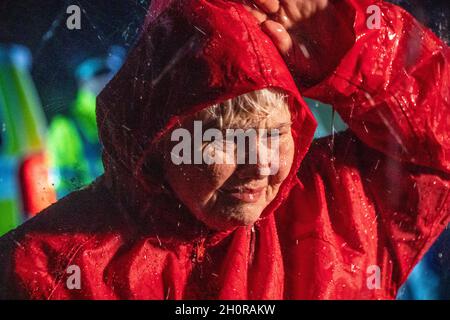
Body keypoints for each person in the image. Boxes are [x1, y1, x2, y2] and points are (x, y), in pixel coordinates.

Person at [0, 0, 448, 299]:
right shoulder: (50, 266)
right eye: (222, 139)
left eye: (275, 133)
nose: (261, 164)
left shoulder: (340, 207)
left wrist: (355, 46)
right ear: (159, 143)